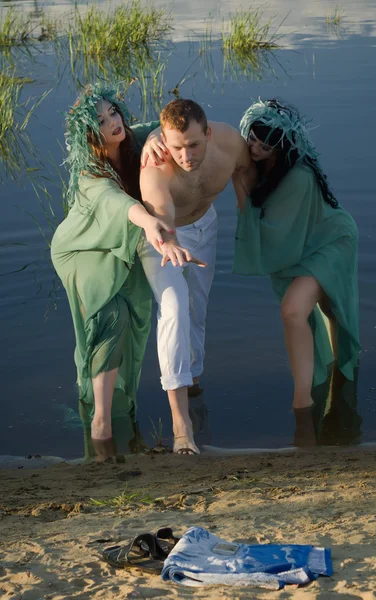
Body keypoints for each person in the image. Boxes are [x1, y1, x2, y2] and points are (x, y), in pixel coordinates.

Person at [51, 84, 172, 462]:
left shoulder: (133, 140)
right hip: (82, 249)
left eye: (113, 113)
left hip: (122, 244)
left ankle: (111, 408)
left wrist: (154, 136)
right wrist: (151, 223)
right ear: (90, 134)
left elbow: (168, 123)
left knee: (132, 317)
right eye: (101, 121)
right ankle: (101, 421)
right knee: (110, 317)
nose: (112, 123)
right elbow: (116, 202)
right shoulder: (89, 171)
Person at [139, 98, 253, 455]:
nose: (185, 156)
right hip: (164, 237)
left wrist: (243, 205)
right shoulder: (156, 168)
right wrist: (170, 245)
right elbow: (160, 220)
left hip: (205, 227)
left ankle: (193, 380)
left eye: (193, 145)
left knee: (197, 310)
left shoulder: (230, 142)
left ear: (208, 133)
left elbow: (245, 169)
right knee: (174, 307)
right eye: (176, 147)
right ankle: (180, 424)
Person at [234, 98, 361, 418]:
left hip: (332, 241)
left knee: (310, 309)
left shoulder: (298, 175)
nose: (255, 148)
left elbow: (273, 231)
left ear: (281, 145)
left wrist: (240, 187)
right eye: (252, 139)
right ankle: (325, 386)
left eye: (265, 145)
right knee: (309, 309)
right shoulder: (260, 162)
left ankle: (305, 400)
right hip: (305, 239)